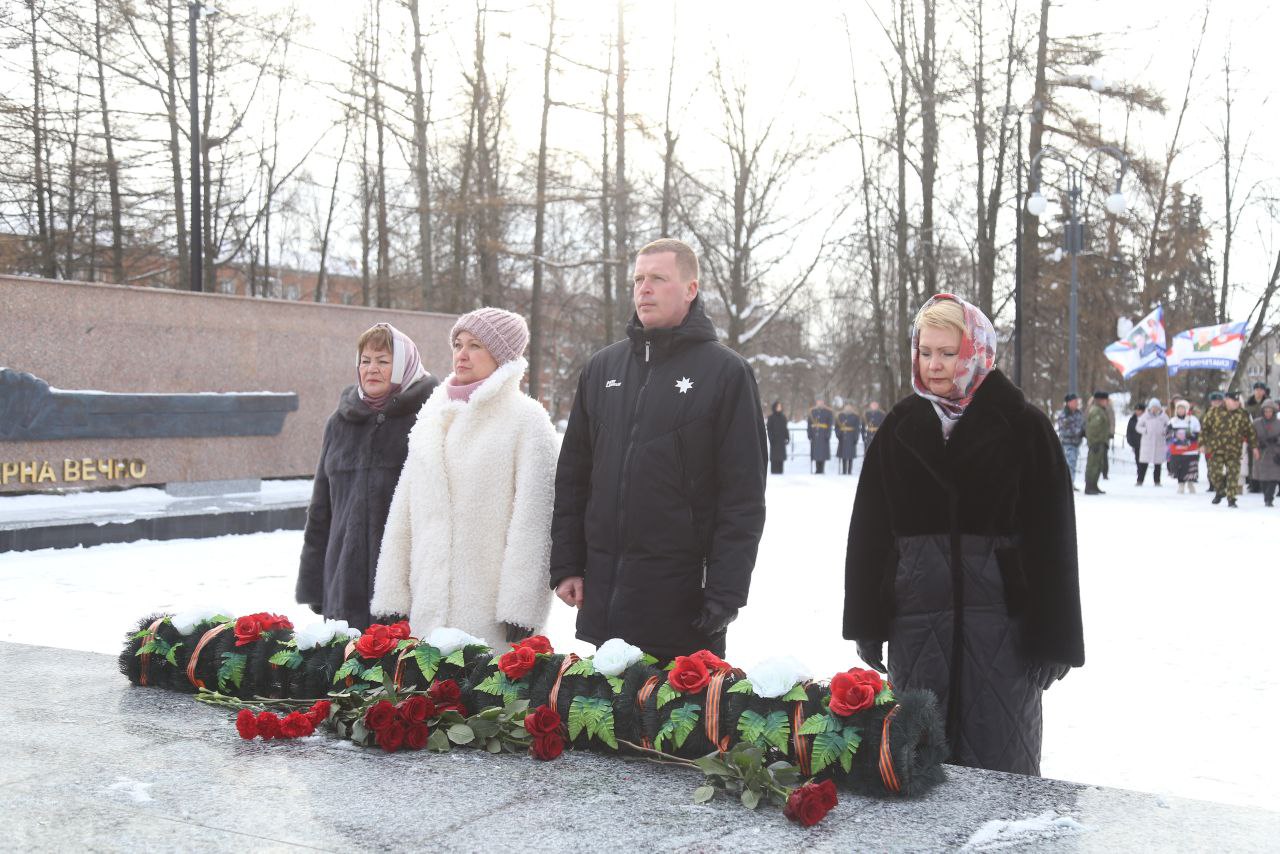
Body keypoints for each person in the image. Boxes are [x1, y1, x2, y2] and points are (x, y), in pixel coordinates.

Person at [843, 293, 1082, 777]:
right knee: (917, 768)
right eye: (925, 352)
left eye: (947, 353)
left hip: (1004, 635)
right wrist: (867, 620)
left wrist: (1055, 638)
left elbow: (1054, 540)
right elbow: (869, 535)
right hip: (916, 628)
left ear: (975, 352)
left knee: (999, 768)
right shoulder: (899, 427)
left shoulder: (1024, 427)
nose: (934, 365)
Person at [549, 238, 768, 660]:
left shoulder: (726, 373)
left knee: (675, 725)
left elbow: (743, 498)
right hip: (605, 603)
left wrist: (726, 593)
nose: (643, 289)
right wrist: (567, 564)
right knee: (602, 724)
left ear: (690, 289)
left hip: (684, 608)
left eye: (658, 279)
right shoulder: (601, 368)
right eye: (638, 279)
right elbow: (575, 476)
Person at [370, 308, 558, 645]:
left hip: (489, 614)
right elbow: (404, 513)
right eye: (458, 344)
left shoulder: (526, 419)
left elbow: (534, 521)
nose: (462, 354)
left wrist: (521, 607)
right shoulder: (432, 416)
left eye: (476, 346)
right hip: (426, 611)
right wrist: (391, 595)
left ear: (501, 355)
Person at [296, 324, 438, 630]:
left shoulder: (429, 418)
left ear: (403, 365)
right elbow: (321, 510)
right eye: (365, 360)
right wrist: (314, 584)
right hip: (342, 583)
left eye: (383, 361)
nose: (371, 369)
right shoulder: (340, 422)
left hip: (404, 586)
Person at [1205, 391, 1255, 507]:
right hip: (1217, 449)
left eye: (1238, 401)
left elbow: (1250, 431)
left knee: (1234, 474)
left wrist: (1254, 446)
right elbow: (1205, 428)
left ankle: (1231, 498)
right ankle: (1220, 490)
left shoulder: (1243, 414)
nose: (1236, 403)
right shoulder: (1215, 412)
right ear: (1227, 400)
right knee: (1214, 473)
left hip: (1236, 449)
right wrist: (1204, 443)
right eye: (1234, 400)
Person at [1166, 399, 1202, 494]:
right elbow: (1167, 434)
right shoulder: (1172, 421)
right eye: (1179, 409)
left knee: (1189, 467)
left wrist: (1190, 436)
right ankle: (1181, 484)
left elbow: (1198, 434)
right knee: (1179, 468)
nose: (1180, 411)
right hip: (1177, 450)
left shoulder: (1193, 420)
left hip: (1190, 450)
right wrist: (1173, 435)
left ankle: (1190, 483)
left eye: (1182, 409)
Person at [1135, 398, 1169, 486]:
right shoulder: (1145, 416)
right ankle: (1140, 480)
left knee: (1158, 464)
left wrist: (1164, 431)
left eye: (1156, 407)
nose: (1154, 409)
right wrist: (1145, 430)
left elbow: (1169, 426)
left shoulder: (1163, 416)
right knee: (1143, 464)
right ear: (1150, 408)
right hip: (1147, 443)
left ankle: (1157, 481)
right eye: (1153, 407)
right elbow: (1138, 427)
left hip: (1159, 443)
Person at [1253, 399, 1280, 506]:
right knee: (1263, 478)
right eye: (1266, 411)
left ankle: (1269, 498)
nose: (1268, 413)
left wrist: (1276, 440)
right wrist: (1258, 444)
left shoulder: (1278, 423)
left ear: (1273, 411)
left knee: (1274, 477)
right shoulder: (1256, 423)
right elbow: (1251, 437)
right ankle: (1266, 497)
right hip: (1262, 453)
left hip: (1275, 453)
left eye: (1270, 411)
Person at [1083, 391, 1111, 495]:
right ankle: (1089, 486)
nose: (1107, 402)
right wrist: (1094, 442)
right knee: (1093, 465)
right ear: (1100, 400)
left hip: (1100, 442)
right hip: (1096, 443)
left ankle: (1094, 485)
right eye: (1105, 400)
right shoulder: (1096, 411)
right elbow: (1092, 428)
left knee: (1098, 465)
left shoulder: (1100, 410)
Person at [1245, 382, 1270, 492]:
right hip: (1252, 435)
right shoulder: (1248, 403)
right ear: (1254, 391)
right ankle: (1253, 482)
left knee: (1265, 459)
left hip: (1266, 435)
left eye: (1261, 389)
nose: (1259, 392)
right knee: (1252, 460)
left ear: (1264, 391)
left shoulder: (1268, 403)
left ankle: (1264, 483)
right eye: (1257, 389)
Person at [1056, 394, 1084, 488]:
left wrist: (1083, 431)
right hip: (1067, 443)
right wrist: (1078, 432)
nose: (1076, 403)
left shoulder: (1078, 413)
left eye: (1077, 401)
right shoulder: (1064, 415)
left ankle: (1070, 483)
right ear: (1069, 403)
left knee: (1073, 463)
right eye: (1074, 401)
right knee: (1069, 464)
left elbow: (1082, 424)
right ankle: (1068, 484)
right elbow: (1064, 430)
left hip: (1076, 443)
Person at [1200, 391, 1225, 494]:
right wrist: (1202, 444)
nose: (1216, 403)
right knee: (1210, 465)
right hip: (1210, 444)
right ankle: (1212, 484)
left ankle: (1221, 485)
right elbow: (1202, 429)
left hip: (1223, 443)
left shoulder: (1226, 413)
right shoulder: (1206, 413)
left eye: (1219, 401)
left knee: (1221, 466)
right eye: (1214, 401)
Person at [808, 399, 834, 474]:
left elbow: (829, 425)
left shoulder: (828, 412)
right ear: (816, 402)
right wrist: (809, 434)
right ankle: (817, 469)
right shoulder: (812, 411)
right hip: (814, 435)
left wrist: (828, 434)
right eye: (818, 401)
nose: (820, 403)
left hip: (823, 434)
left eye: (821, 401)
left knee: (822, 453)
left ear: (823, 402)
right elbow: (809, 424)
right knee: (816, 453)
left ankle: (822, 469)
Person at [835, 403, 863, 475]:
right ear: (844, 407)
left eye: (849, 407)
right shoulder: (840, 416)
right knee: (843, 455)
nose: (848, 408)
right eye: (846, 407)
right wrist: (838, 435)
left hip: (851, 437)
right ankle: (844, 471)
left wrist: (856, 438)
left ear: (851, 408)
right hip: (842, 437)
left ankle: (849, 471)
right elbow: (837, 426)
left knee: (850, 455)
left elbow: (857, 428)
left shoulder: (855, 417)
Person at [766, 401, 790, 475]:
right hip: (774, 441)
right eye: (778, 406)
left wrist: (787, 437)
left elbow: (785, 428)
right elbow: (769, 429)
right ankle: (774, 472)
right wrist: (771, 439)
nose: (779, 408)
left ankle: (780, 472)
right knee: (774, 458)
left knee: (781, 458)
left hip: (781, 441)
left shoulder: (783, 417)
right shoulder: (771, 418)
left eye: (780, 406)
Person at [1125, 401, 1143, 469]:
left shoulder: (1146, 419)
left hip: (1145, 443)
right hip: (1136, 444)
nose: (1137, 412)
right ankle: (1139, 471)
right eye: (1136, 410)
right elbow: (1129, 432)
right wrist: (1130, 442)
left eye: (1139, 410)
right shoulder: (1132, 419)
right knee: (1137, 458)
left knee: (1144, 460)